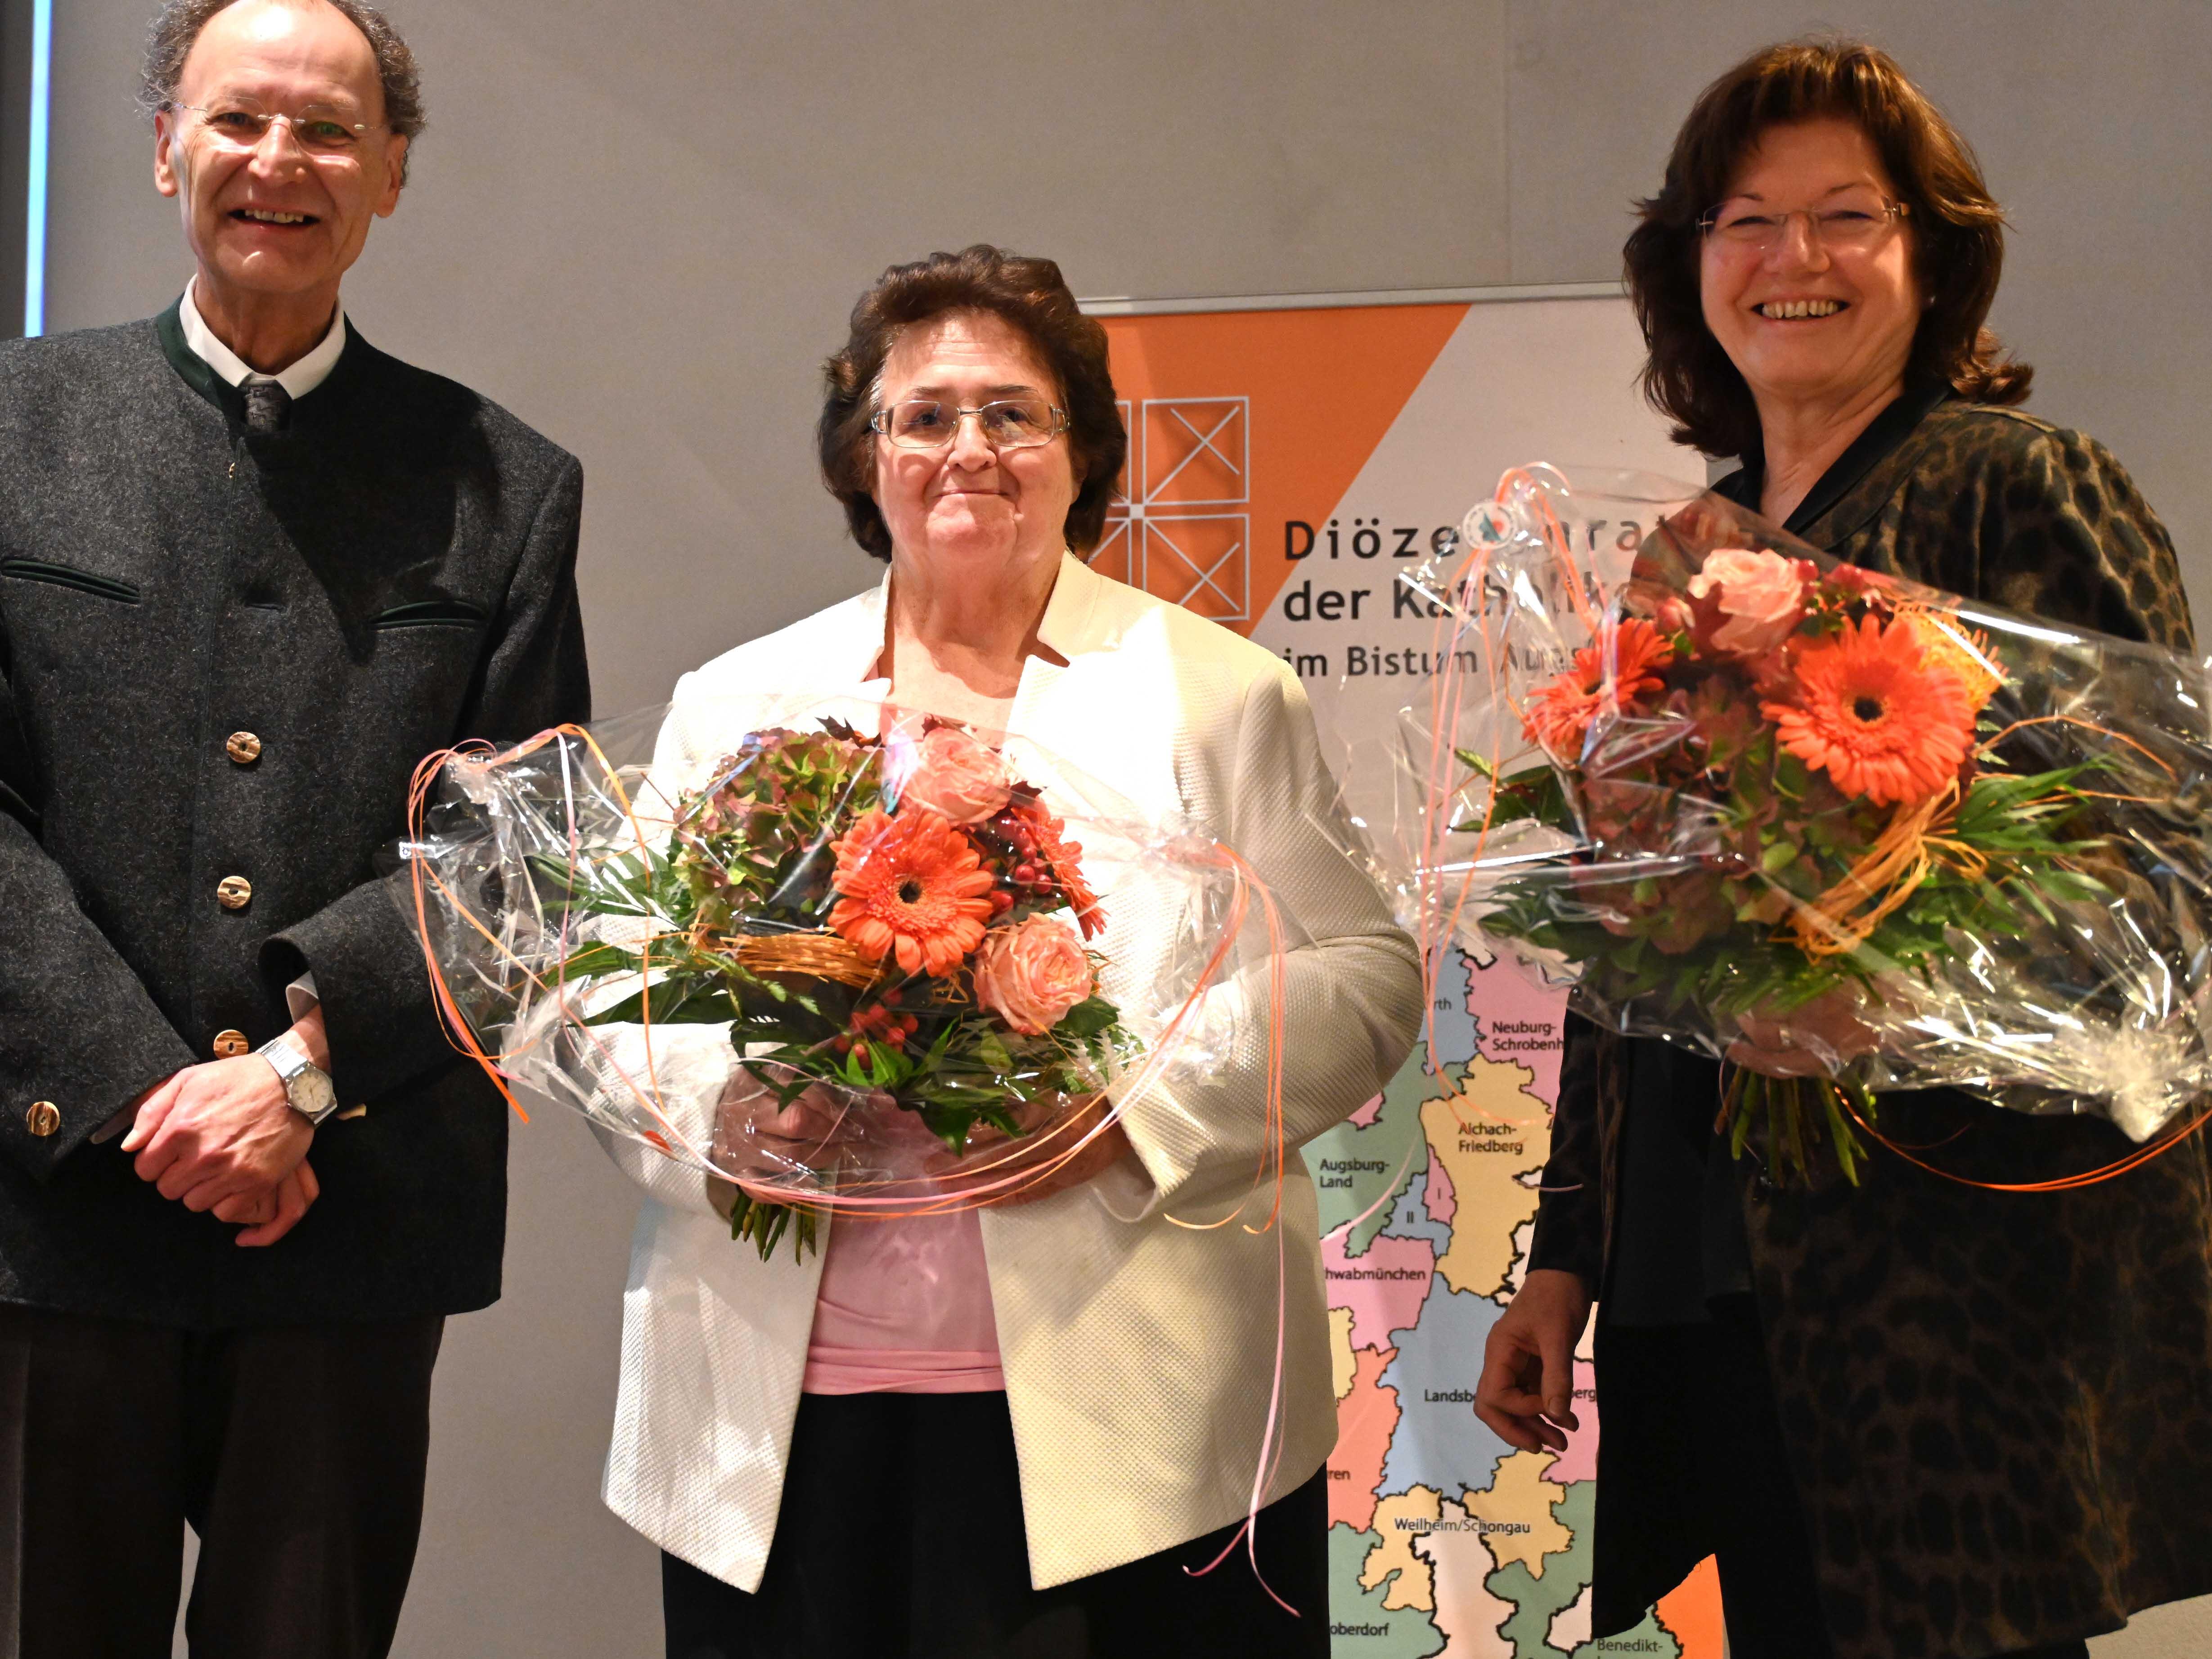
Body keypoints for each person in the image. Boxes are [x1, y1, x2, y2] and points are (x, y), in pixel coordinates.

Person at [1474, 38, 2212, 1659]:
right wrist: (1563, 1260)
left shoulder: (2022, 488)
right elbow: (1627, 939)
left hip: (1950, 1279)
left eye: (1843, 218)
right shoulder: (1687, 550)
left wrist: (1888, 995)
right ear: (1690, 268)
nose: (1789, 261)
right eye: (1744, 221)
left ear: (1928, 255)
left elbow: (2161, 876)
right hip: (1709, 1256)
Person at [591, 245, 1423, 1659]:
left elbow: (1362, 974)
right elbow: (598, 987)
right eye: (921, 417)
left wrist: (1130, 1110)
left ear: (1082, 451)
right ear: (863, 460)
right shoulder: (737, 700)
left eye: (1011, 414)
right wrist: (721, 1108)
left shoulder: (1219, 695)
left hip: (1136, 1437)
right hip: (778, 1434)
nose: (965, 449)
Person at [0, 1, 588, 1652]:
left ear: (393, 171)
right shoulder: (15, 428)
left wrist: (292, 1075)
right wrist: (146, 1100)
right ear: (166, 144)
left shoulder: (505, 482)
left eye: (329, 129)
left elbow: (522, 856)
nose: (281, 163)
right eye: (239, 121)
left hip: (355, 1207)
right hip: (57, 1207)